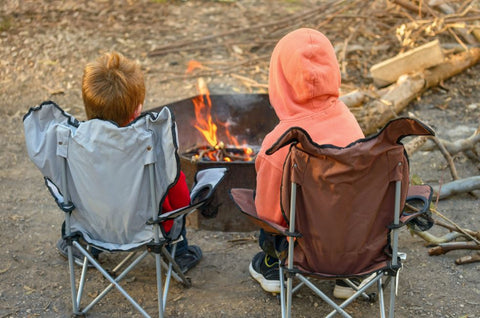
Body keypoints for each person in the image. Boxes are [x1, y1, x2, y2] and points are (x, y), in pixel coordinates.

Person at [56, 51, 202, 273]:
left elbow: (66, 189)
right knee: (172, 209)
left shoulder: (74, 143)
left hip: (93, 226)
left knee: (83, 207)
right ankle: (178, 253)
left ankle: (83, 248)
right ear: (138, 108)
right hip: (146, 231)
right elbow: (180, 200)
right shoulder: (154, 148)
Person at [249, 28, 365, 298]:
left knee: (267, 202)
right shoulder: (348, 121)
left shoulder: (277, 144)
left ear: (280, 79)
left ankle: (273, 268)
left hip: (301, 250)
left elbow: (268, 218)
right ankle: (352, 276)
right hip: (354, 245)